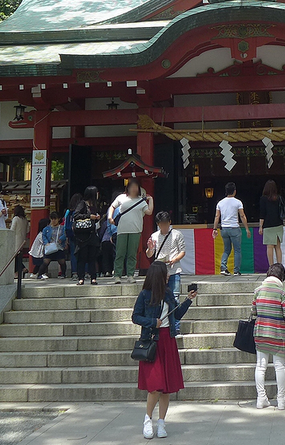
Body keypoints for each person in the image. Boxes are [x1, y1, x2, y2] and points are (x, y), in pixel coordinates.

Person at [132, 261, 197, 439]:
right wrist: (152, 322)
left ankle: (161, 422)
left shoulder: (167, 293)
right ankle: (147, 420)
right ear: (158, 275)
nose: (168, 275)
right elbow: (135, 317)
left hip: (168, 340)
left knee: (167, 387)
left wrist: (188, 300)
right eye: (165, 273)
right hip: (153, 341)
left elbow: (176, 314)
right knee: (155, 387)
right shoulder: (145, 295)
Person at [252, 263, 285, 409]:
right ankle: (281, 400)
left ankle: (261, 398)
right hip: (278, 332)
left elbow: (253, 311)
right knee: (279, 366)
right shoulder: (282, 291)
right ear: (282, 276)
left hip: (261, 331)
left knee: (260, 366)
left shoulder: (258, 290)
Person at [146, 212, 187, 336]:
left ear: (169, 222)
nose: (163, 227)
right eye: (161, 224)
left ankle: (176, 326)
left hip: (173, 269)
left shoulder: (176, 234)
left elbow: (183, 251)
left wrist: (174, 260)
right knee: (157, 297)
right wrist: (150, 248)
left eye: (165, 224)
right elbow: (149, 255)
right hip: (159, 271)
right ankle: (156, 323)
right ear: (158, 224)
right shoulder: (154, 236)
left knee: (174, 297)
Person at [108, 179, 154, 283]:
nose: (134, 188)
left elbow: (149, 212)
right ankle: (117, 275)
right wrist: (110, 217)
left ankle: (130, 275)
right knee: (120, 252)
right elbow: (112, 206)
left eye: (136, 186)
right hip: (122, 229)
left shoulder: (141, 201)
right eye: (132, 186)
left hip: (135, 229)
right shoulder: (121, 197)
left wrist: (150, 200)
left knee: (132, 254)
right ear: (128, 188)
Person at [212, 182, 250, 276]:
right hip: (234, 227)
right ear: (235, 191)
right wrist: (247, 228)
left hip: (224, 228)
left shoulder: (220, 203)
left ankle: (223, 267)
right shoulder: (238, 202)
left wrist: (214, 228)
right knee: (237, 250)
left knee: (226, 249)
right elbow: (242, 215)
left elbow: (217, 216)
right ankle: (236, 270)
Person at [258, 180, 285, 270]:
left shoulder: (263, 199)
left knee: (269, 247)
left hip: (268, 225)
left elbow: (262, 214)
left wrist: (260, 226)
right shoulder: (279, 198)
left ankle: (271, 267)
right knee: (278, 247)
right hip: (278, 225)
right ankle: (279, 267)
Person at [70, 186, 102, 285]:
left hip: (92, 234)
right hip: (83, 235)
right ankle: (81, 277)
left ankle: (93, 277)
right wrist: (89, 216)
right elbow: (76, 215)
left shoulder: (95, 205)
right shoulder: (82, 204)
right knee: (82, 257)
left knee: (92, 257)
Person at [10, 205, 29, 279]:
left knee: (13, 257)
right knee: (18, 257)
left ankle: (18, 271)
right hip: (22, 240)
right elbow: (27, 230)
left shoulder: (16, 219)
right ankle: (22, 269)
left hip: (15, 239)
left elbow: (12, 229)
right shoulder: (25, 219)